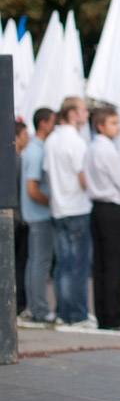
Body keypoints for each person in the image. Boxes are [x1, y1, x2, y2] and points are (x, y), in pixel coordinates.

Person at [83, 107, 120, 331]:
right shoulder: (107, 151)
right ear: (100, 125)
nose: (118, 127)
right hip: (112, 209)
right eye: (113, 123)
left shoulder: (92, 148)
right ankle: (114, 317)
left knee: (102, 266)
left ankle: (104, 314)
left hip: (98, 208)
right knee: (114, 265)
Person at [44, 97, 94, 327]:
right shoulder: (75, 141)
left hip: (58, 207)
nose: (87, 114)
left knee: (63, 264)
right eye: (83, 110)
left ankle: (63, 312)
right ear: (72, 113)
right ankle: (78, 314)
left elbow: (47, 172)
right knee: (78, 264)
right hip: (76, 207)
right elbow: (84, 176)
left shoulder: (52, 139)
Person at [19, 108, 56, 325]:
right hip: (39, 215)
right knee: (40, 262)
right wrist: (52, 202)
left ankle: (35, 307)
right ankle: (39, 309)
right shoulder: (36, 150)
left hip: (35, 214)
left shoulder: (33, 148)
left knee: (35, 261)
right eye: (52, 122)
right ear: (43, 123)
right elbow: (32, 189)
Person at [14, 121, 30, 316]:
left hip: (18, 217)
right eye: (25, 135)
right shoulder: (16, 160)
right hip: (19, 218)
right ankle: (19, 301)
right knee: (20, 262)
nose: (27, 138)